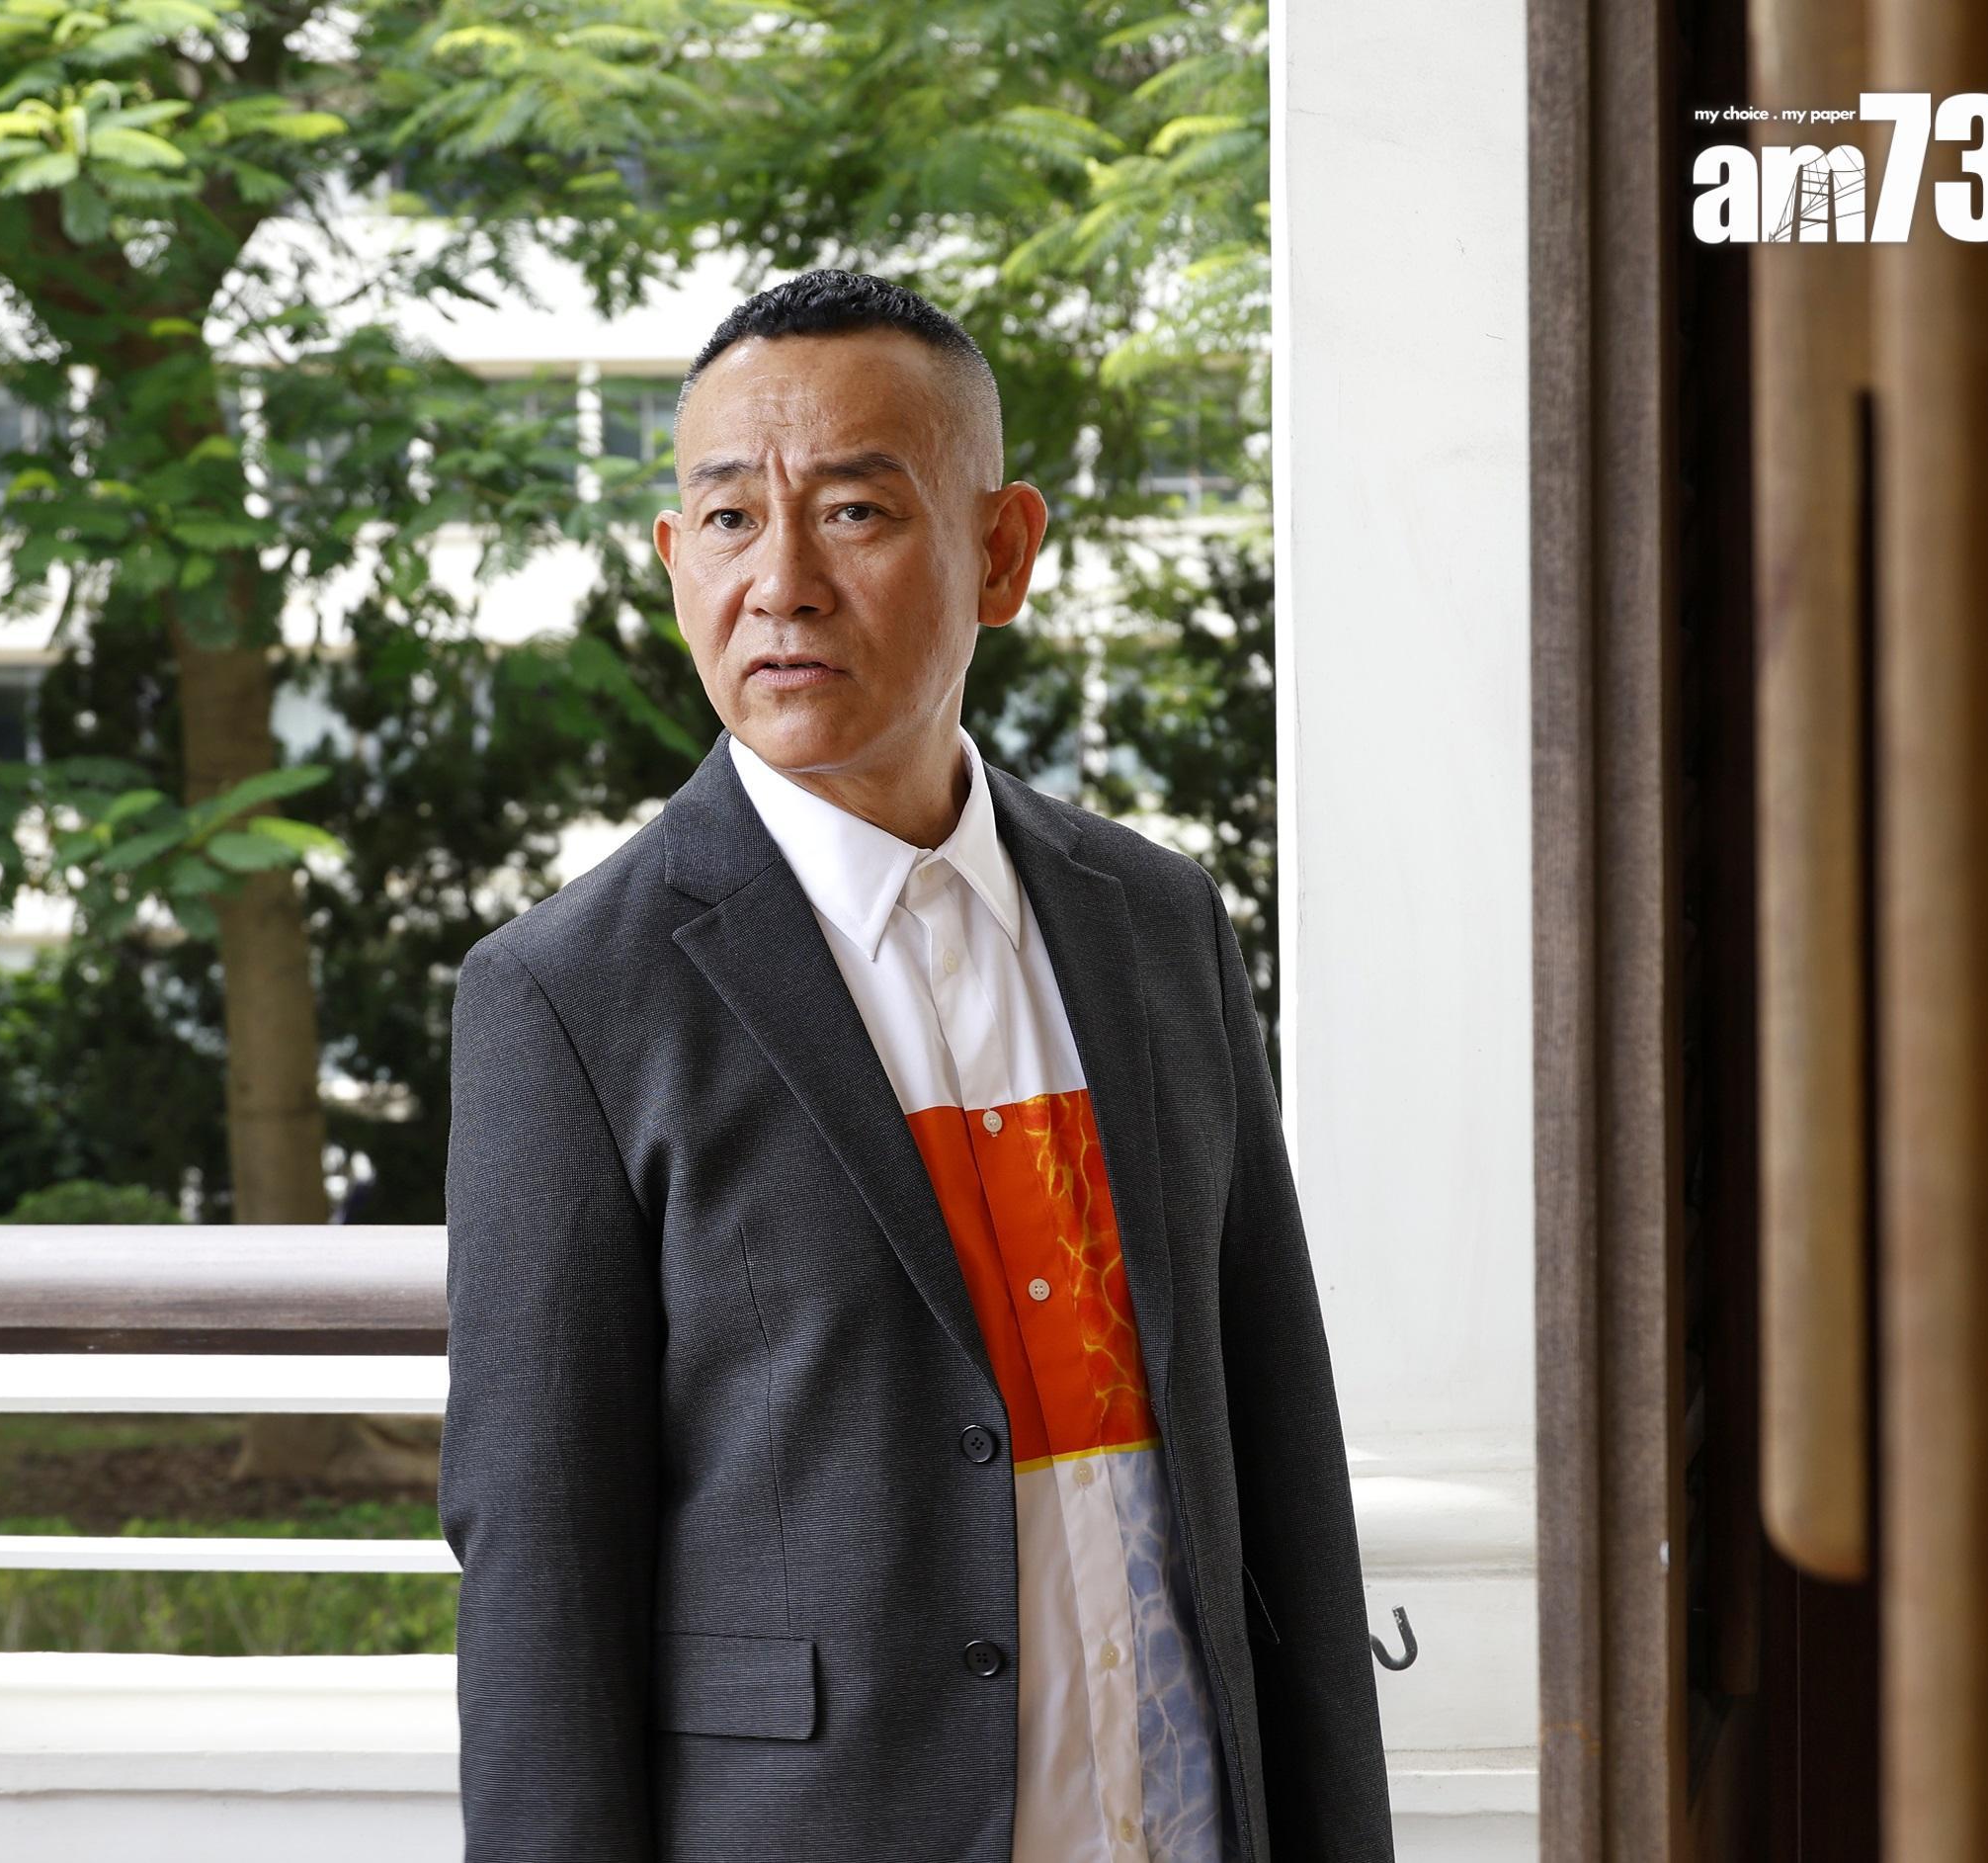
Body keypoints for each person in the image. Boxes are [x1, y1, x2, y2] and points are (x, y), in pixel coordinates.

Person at [440, 269, 1391, 1863]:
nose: (782, 583)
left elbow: (1283, 1463)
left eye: (856, 512)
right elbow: (542, 1588)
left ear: (1002, 552)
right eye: (729, 520)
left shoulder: (1158, 925)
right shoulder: (568, 1000)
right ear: (674, 561)